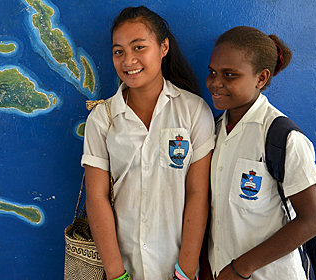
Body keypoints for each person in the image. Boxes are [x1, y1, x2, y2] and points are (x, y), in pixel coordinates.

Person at [81, 6, 215, 280]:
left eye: (139, 47)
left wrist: (185, 272)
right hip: (122, 266)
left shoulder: (193, 111)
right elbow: (96, 198)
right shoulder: (102, 118)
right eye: (119, 51)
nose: (128, 60)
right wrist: (117, 274)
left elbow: (198, 195)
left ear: (164, 47)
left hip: (177, 268)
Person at [200, 26, 316, 280]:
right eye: (212, 72)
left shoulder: (282, 138)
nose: (215, 82)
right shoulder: (212, 131)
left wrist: (240, 268)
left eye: (230, 75)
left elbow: (312, 221)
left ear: (261, 78)